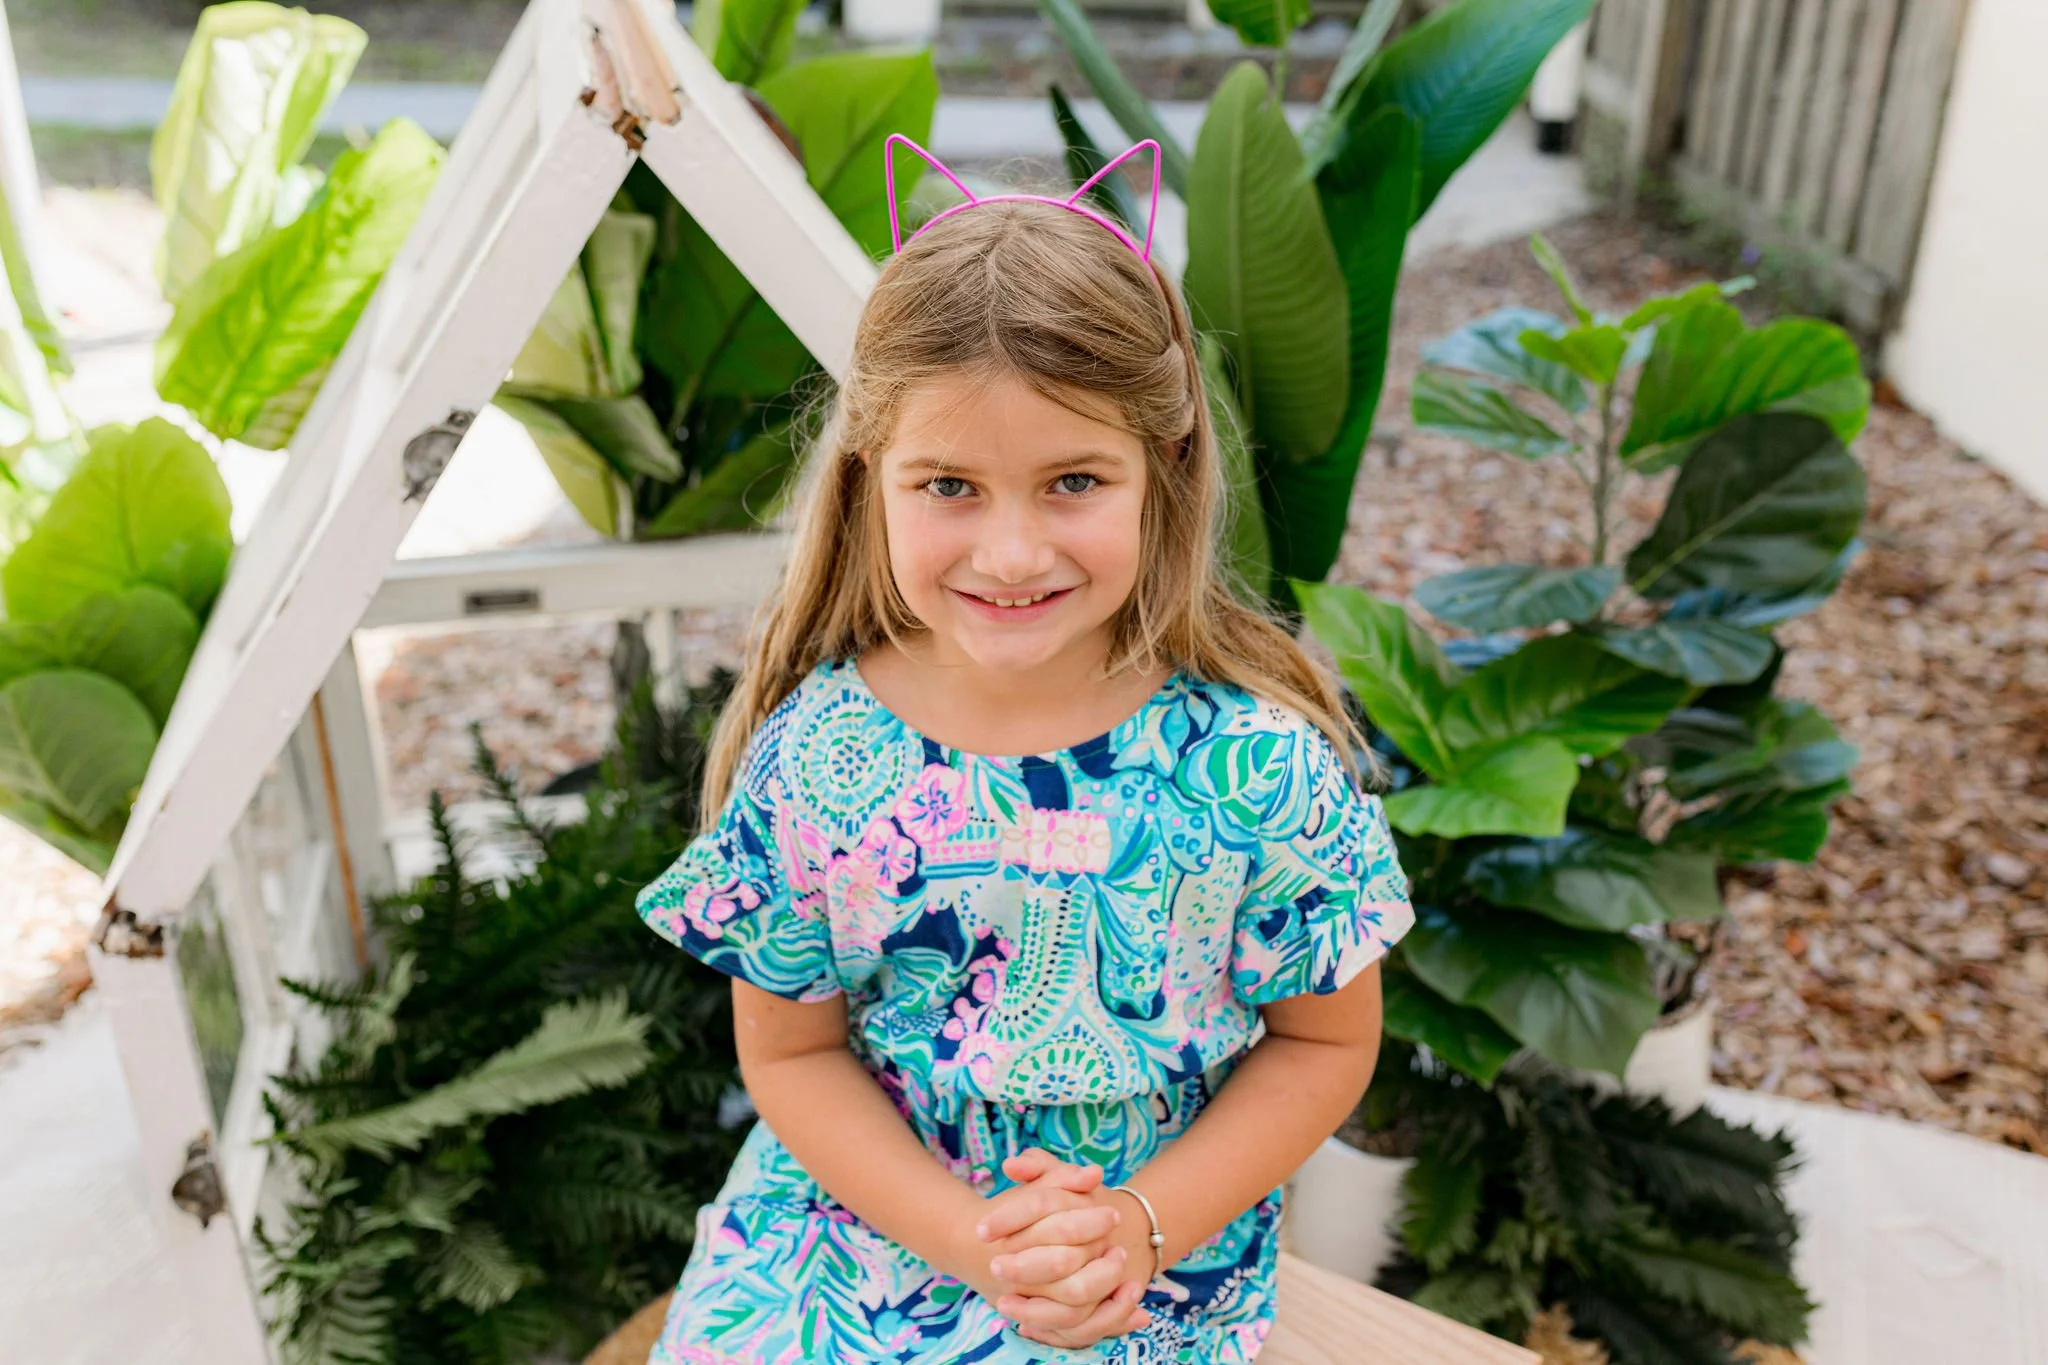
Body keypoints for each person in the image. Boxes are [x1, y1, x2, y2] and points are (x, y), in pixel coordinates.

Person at [634, 136, 1414, 1363]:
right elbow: (789, 1053)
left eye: (1071, 482)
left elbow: (1326, 1041)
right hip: (865, 1222)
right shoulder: (818, 757)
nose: (1009, 553)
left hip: (1150, 1242)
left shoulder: (1257, 769)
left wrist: (1136, 1227)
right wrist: (971, 1239)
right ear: (868, 475)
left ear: (1163, 467)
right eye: (948, 485)